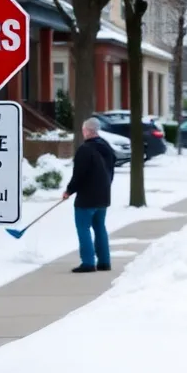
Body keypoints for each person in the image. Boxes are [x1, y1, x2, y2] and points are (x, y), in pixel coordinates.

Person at [63, 117, 116, 273]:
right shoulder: (106, 147)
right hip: (103, 196)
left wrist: (69, 190)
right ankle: (104, 262)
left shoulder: (85, 150)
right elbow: (111, 170)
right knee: (100, 227)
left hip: (87, 198)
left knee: (83, 228)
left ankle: (88, 263)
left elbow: (79, 174)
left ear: (86, 131)